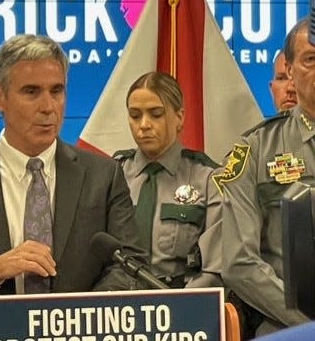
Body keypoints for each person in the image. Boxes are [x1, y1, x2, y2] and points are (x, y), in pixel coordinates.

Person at [0, 34, 147, 311]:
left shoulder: (103, 176)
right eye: (31, 92)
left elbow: (130, 264)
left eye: (57, 91)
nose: (48, 107)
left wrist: (78, 316)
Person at [216, 18, 314, 338]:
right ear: (290, 70)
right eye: (310, 59)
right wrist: (308, 321)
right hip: (287, 325)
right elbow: (239, 262)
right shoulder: (254, 150)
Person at [113, 71, 221, 289]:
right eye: (135, 115)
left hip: (181, 304)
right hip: (119, 305)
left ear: (179, 117)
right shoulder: (113, 173)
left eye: (156, 114)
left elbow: (215, 268)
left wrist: (178, 305)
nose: (144, 125)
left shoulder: (208, 178)